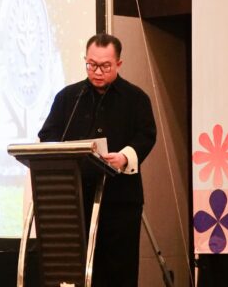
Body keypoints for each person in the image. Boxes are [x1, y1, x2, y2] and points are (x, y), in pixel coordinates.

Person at [38, 32, 156, 287]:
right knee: (76, 272)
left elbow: (147, 135)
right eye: (91, 65)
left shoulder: (136, 98)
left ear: (119, 64)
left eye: (105, 66)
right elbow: (47, 135)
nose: (97, 72)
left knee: (119, 271)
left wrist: (124, 157)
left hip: (120, 201)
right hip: (75, 200)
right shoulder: (68, 97)